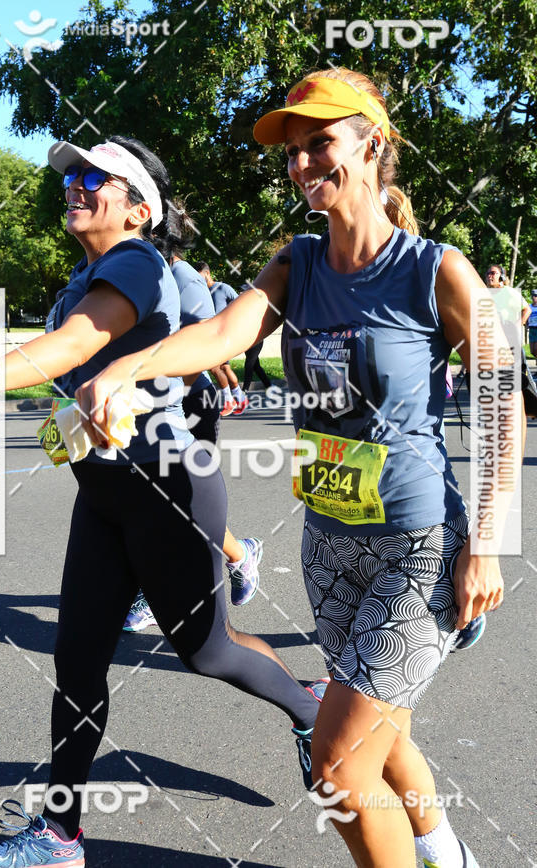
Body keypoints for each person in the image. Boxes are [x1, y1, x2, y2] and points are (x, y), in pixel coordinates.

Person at [75, 69, 522, 868]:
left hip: (415, 545)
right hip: (329, 542)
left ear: (372, 143)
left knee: (338, 767)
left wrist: (486, 541)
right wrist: (124, 370)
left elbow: (498, 403)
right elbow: (222, 335)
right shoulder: (298, 264)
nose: (302, 164)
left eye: (319, 142)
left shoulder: (434, 269)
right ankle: (448, 854)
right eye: (292, 151)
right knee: (384, 741)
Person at [0, 137, 326, 867]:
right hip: (104, 495)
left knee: (206, 651)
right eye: (71, 177)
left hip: (171, 486)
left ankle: (312, 709)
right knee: (77, 661)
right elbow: (65, 366)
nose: (75, 186)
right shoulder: (75, 284)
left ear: (140, 208)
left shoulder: (138, 263)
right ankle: (59, 837)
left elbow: (69, 347)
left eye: (95, 178)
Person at [124, 240, 262, 632]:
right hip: (145, 405)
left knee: (180, 498)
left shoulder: (183, 278)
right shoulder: (134, 272)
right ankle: (239, 555)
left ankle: (165, 589)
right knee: (157, 500)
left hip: (187, 401)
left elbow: (205, 347)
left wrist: (172, 397)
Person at [194, 261, 248, 415]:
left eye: (200, 275)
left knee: (215, 367)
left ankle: (229, 401)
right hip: (211, 335)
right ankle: (239, 397)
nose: (198, 279)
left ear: (207, 273)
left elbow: (240, 305)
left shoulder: (223, 288)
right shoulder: (201, 292)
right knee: (224, 367)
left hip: (225, 334)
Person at [528, 288, 537, 362]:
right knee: (532, 351)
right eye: (533, 295)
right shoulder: (529, 307)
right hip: (531, 329)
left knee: (536, 349)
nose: (534, 297)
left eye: (536, 296)